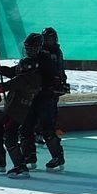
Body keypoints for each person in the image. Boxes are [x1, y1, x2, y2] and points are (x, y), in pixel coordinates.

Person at [0, 33, 44, 177]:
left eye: (31, 48)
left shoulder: (29, 77)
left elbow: (6, 85)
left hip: (17, 111)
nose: (28, 50)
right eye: (27, 48)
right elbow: (13, 71)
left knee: (10, 136)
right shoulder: (27, 67)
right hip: (12, 109)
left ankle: (20, 166)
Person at [27, 26, 68, 170]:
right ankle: (29, 155)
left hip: (49, 94)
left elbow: (59, 70)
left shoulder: (56, 53)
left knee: (48, 127)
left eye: (51, 38)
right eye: (47, 39)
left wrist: (60, 83)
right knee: (27, 126)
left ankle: (57, 157)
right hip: (36, 93)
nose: (49, 41)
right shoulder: (39, 52)